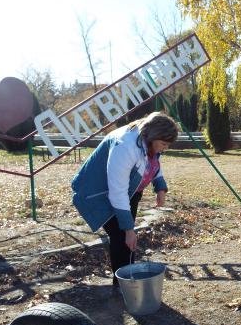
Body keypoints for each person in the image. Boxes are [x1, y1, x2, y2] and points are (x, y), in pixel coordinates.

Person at [71, 112, 179, 284]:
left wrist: (160, 186)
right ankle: (123, 285)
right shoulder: (125, 146)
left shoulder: (149, 140)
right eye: (163, 144)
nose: (164, 148)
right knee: (122, 237)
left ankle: (128, 283)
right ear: (152, 136)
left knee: (127, 240)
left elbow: (153, 162)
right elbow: (117, 192)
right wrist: (129, 229)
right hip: (98, 193)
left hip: (129, 192)